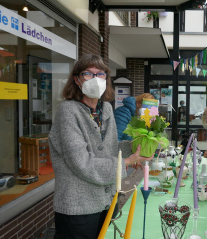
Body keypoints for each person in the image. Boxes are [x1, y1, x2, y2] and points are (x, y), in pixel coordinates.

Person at [49, 54, 153, 239]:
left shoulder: (105, 109)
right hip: (78, 208)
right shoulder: (68, 112)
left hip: (105, 202)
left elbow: (110, 149)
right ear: (77, 80)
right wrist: (127, 162)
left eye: (101, 74)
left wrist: (136, 146)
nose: (96, 79)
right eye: (88, 74)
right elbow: (82, 162)